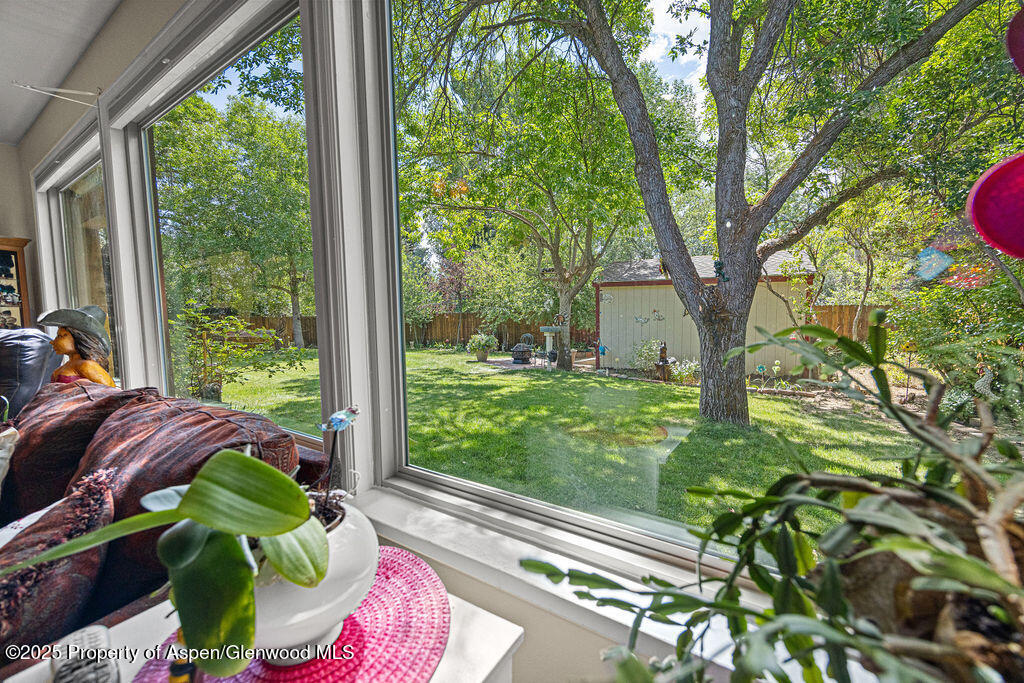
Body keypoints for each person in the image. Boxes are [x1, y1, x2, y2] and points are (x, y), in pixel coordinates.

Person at [37, 305, 115, 387]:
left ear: (79, 338)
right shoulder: (67, 366)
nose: (53, 342)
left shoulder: (87, 366)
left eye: (60, 336)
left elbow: (113, 393)